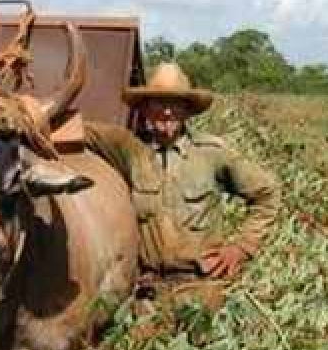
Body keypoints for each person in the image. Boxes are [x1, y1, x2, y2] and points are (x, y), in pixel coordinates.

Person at [86, 63, 281, 280]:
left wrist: (242, 247)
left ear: (187, 110)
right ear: (144, 109)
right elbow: (81, 130)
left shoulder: (211, 153)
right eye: (159, 102)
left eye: (175, 103)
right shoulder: (128, 149)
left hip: (201, 286)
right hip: (146, 290)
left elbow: (268, 194)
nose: (167, 111)